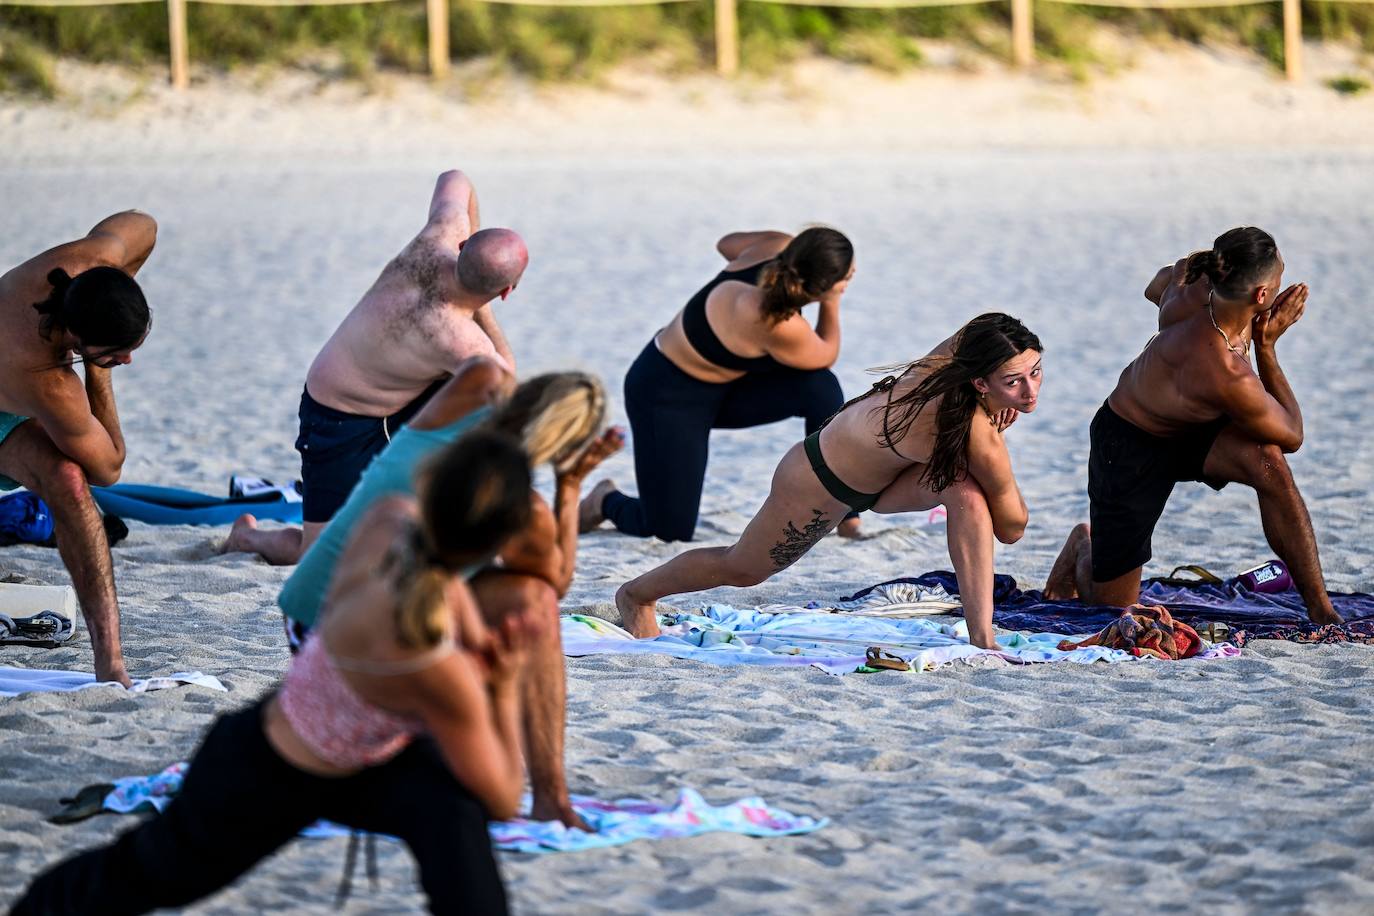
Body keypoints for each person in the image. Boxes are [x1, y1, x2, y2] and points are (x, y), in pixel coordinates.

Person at [12, 431, 537, 915]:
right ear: (495, 543)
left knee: (449, 813)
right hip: (271, 771)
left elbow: (446, 582)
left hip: (361, 755)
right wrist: (507, 677)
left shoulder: (391, 521)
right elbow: (506, 797)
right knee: (148, 875)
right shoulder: (432, 662)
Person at [276, 358, 619, 829]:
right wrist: (570, 485)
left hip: (307, 617)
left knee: (501, 589)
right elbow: (554, 583)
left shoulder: (472, 391)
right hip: (360, 642)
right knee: (535, 601)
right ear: (562, 446)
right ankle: (550, 797)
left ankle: (541, 795)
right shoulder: (523, 509)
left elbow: (484, 363)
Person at [615, 313, 1043, 646]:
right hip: (821, 481)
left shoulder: (974, 342)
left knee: (965, 492)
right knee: (743, 568)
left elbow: (981, 332)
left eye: (1035, 372)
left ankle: (981, 636)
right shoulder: (977, 433)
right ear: (978, 381)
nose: (1030, 392)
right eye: (1013, 381)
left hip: (889, 475)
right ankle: (636, 595)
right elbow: (1013, 528)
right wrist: (993, 450)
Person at [224, 169, 525, 565]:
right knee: (312, 556)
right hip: (338, 414)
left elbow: (455, 178)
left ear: (464, 242)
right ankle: (247, 537)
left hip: (400, 395)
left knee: (478, 413)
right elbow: (508, 383)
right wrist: (479, 303)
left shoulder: (438, 238)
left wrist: (470, 266)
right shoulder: (460, 338)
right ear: (505, 293)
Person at [1045, 228, 1342, 625]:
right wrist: (1267, 347)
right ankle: (1083, 545)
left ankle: (1320, 608)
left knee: (1269, 466)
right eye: (1278, 278)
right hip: (1129, 443)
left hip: (1192, 428)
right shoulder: (1224, 371)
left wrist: (1188, 275)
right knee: (1113, 611)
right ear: (1261, 296)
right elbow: (1292, 434)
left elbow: (1157, 285)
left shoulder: (1194, 290)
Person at [578, 226, 861, 543]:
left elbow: (726, 244)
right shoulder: (774, 321)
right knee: (667, 530)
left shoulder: (774, 245)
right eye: (847, 277)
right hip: (666, 396)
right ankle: (603, 500)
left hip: (729, 386)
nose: (852, 276)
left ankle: (843, 511)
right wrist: (833, 302)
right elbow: (825, 353)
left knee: (820, 388)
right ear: (821, 286)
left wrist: (775, 248)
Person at [0, 211, 157, 686]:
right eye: (117, 351)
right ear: (74, 338)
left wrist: (117, 284)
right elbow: (109, 467)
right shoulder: (52, 386)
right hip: (10, 389)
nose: (128, 358)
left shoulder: (95, 259)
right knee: (75, 479)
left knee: (65, 479)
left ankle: (108, 659)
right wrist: (99, 374)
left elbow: (143, 225)